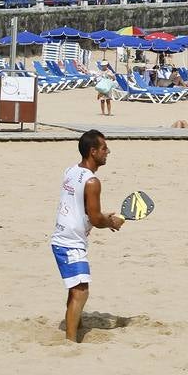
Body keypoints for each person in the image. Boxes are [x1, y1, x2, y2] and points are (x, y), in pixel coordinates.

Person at [50, 130, 125, 343]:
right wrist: (110, 222)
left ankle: (76, 326)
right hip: (69, 243)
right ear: (93, 152)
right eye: (104, 148)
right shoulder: (92, 182)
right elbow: (95, 217)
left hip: (62, 237)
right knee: (81, 291)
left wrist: (103, 216)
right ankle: (71, 341)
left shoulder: (71, 170)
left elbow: (84, 210)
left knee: (76, 287)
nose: (108, 151)